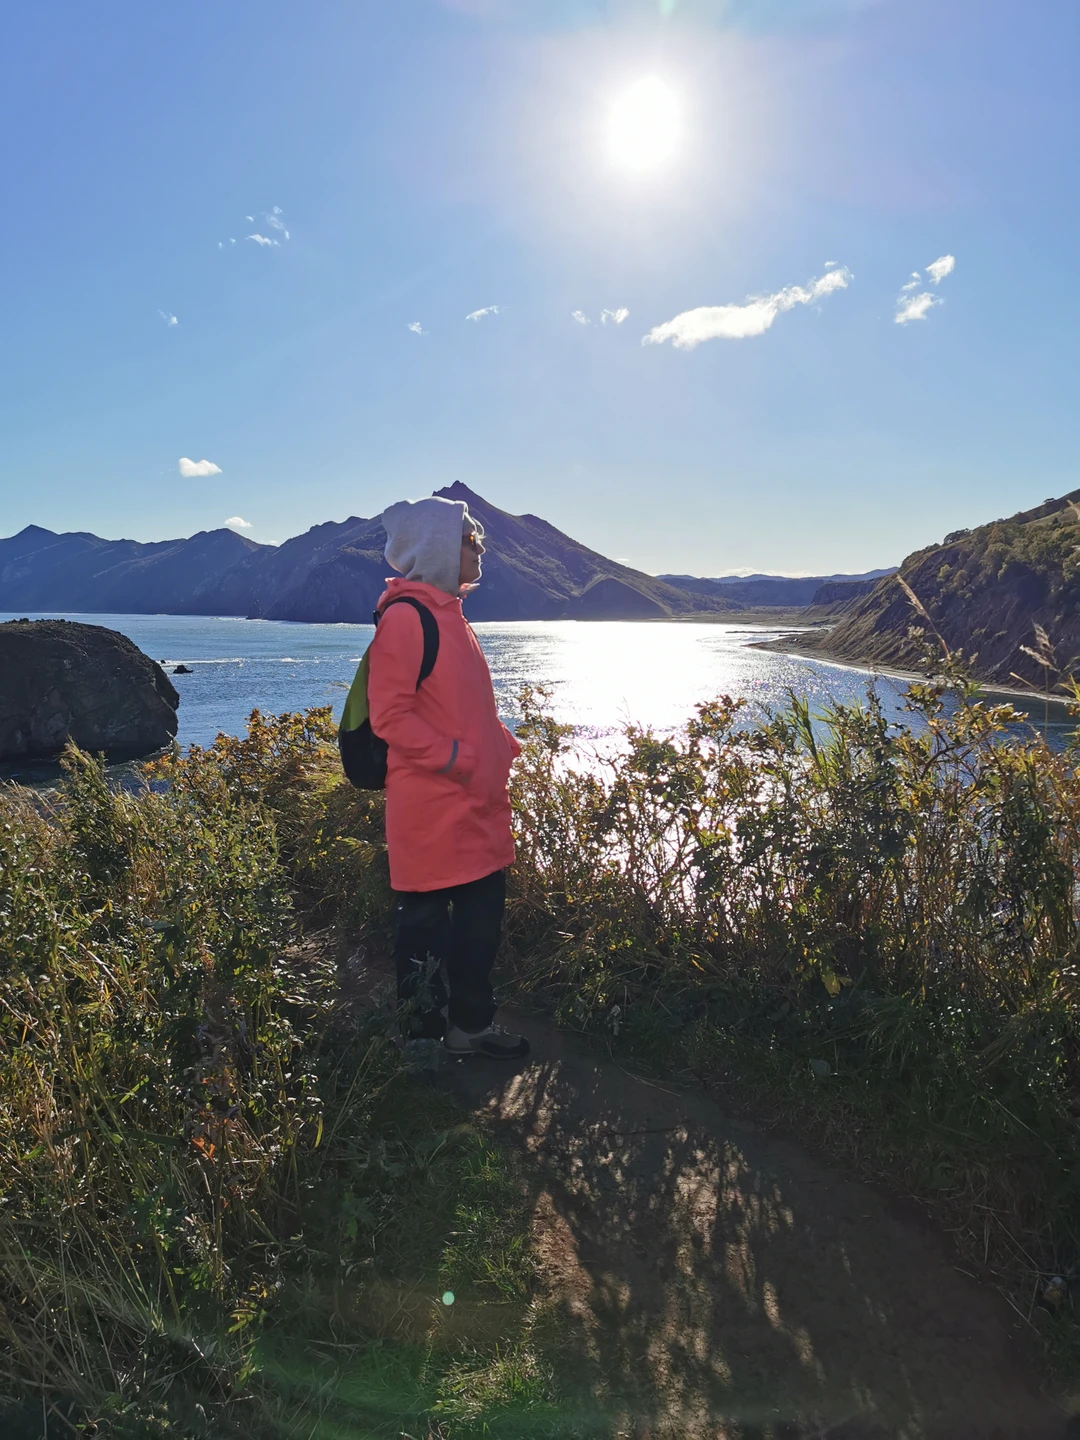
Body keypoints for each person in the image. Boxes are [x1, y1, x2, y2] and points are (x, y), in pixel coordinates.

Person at [368, 494, 530, 1060]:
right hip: (432, 808)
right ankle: (420, 1040)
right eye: (467, 538)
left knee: (479, 930)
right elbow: (390, 716)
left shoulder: (450, 617)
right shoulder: (408, 619)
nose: (478, 545)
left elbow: (458, 707)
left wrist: (500, 745)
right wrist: (461, 758)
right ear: (438, 548)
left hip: (476, 803)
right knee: (424, 930)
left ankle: (469, 1027)